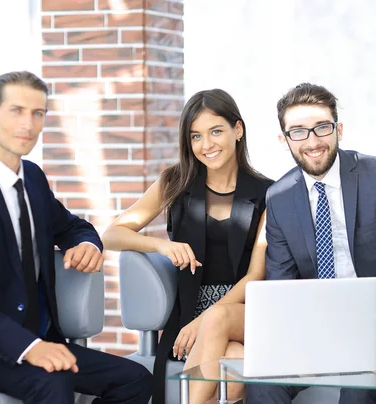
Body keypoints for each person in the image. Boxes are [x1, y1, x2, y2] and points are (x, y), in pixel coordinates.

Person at [0, 71, 152, 403]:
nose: (28, 124)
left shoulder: (34, 180)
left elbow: (71, 226)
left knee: (136, 379)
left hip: (45, 340)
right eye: (16, 110)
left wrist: (86, 244)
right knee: (53, 384)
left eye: (37, 113)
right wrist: (29, 348)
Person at [246, 83, 376, 404]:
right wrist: (297, 339)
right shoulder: (280, 197)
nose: (312, 142)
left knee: (358, 387)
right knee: (262, 382)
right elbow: (282, 282)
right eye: (298, 132)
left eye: (322, 128)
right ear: (283, 139)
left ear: (338, 129)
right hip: (317, 327)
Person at [102, 88, 273, 404]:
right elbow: (111, 235)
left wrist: (205, 321)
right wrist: (160, 246)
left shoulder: (268, 193)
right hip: (189, 313)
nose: (206, 145)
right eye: (196, 136)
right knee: (235, 370)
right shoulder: (175, 182)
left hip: (244, 313)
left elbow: (255, 276)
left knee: (232, 354)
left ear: (238, 130)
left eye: (216, 131)